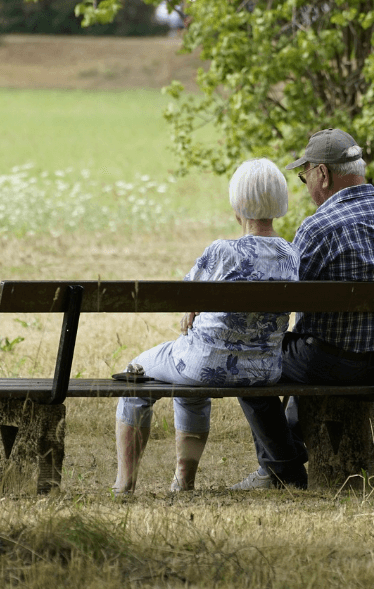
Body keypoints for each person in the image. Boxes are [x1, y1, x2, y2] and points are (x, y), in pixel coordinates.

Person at [230, 128, 374, 490]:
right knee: (306, 347)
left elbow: (284, 300)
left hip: (328, 363)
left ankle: (282, 469)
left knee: (247, 357)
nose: (306, 186)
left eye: (305, 178)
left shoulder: (318, 228)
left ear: (322, 174)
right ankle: (288, 454)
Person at [112, 158, 300, 495]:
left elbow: (184, 295)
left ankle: (124, 484)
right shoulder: (291, 254)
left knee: (135, 374)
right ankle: (183, 482)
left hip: (204, 365)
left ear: (238, 204)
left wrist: (193, 308)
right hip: (263, 370)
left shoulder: (222, 251)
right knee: (187, 382)